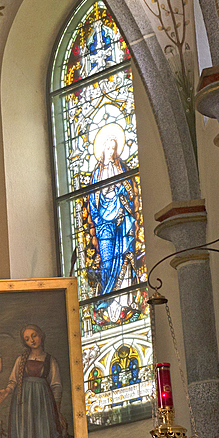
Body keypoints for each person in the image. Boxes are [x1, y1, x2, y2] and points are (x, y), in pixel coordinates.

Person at [87, 134, 137, 318]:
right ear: (102, 150)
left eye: (114, 148)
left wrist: (119, 191)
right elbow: (92, 200)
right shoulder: (96, 174)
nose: (112, 151)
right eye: (109, 148)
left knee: (124, 255)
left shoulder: (120, 168)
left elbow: (129, 191)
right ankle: (109, 302)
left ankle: (126, 300)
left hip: (120, 220)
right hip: (103, 225)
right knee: (108, 263)